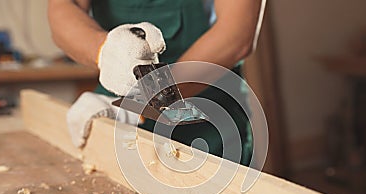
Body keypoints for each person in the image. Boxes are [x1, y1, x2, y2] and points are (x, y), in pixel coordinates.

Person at [48, 0, 263, 166]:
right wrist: (104, 51)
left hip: (210, 119)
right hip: (115, 104)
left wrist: (139, 102)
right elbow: (65, 6)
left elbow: (236, 33)